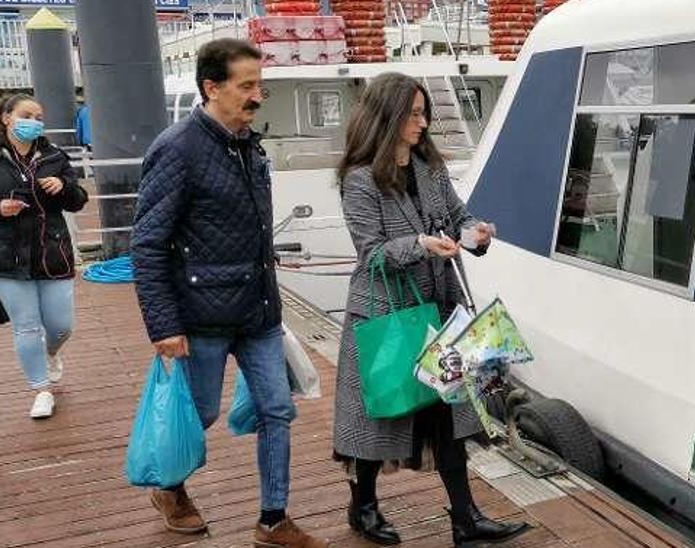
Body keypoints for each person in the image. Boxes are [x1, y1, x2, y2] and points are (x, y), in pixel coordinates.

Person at [131, 38, 326, 548]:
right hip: (201, 314)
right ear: (211, 87)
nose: (257, 95)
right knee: (200, 414)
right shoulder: (176, 148)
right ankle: (170, 488)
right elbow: (147, 244)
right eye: (247, 86)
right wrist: (164, 326)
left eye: (258, 84)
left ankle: (273, 519)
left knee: (277, 410)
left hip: (258, 311)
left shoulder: (249, 145)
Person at [334, 72, 528, 547]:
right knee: (381, 417)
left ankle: (465, 519)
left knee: (449, 417)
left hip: (440, 312)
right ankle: (363, 507)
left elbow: (458, 217)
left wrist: (477, 232)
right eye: (414, 114)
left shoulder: (431, 168)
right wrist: (421, 245)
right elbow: (372, 253)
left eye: (424, 113)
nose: (423, 123)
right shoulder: (359, 181)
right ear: (388, 117)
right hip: (387, 315)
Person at [0, 93, 87, 419]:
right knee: (26, 326)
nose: (35, 122)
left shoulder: (54, 155)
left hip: (52, 252)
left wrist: (64, 186)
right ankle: (41, 389)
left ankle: (51, 353)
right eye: (27, 114)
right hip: (4, 255)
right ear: (6, 117)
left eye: (39, 117)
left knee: (61, 325)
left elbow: (78, 199)